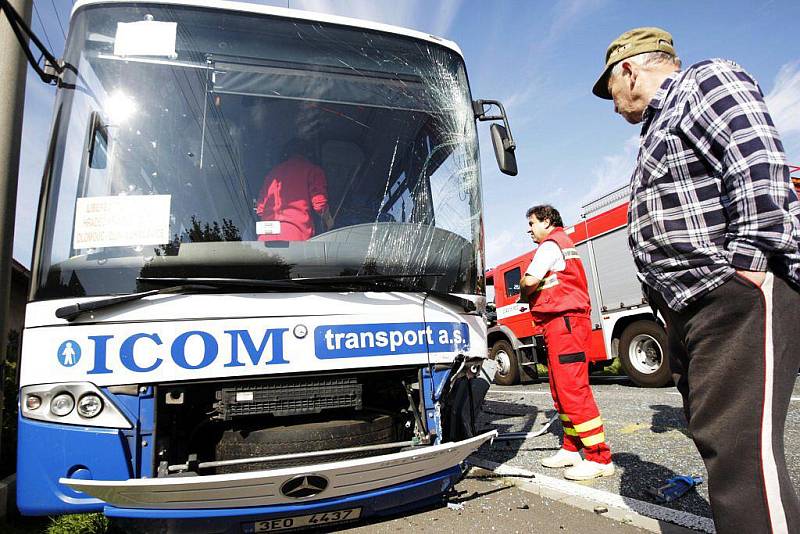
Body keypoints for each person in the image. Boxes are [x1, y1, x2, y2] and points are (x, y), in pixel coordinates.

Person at [593, 27, 800, 533]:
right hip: (694, 305)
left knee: (741, 453)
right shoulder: (657, 128)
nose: (613, 105)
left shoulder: (704, 82)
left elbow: (758, 164)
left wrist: (749, 267)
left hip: (733, 298)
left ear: (629, 69)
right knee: (722, 445)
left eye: (611, 92)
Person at [519, 205, 614, 481]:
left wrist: (525, 287)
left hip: (565, 324)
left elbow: (529, 282)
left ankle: (599, 457)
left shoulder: (550, 245)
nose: (529, 229)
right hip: (561, 325)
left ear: (547, 221)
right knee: (561, 391)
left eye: (533, 223)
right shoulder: (562, 244)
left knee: (572, 389)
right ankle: (572, 448)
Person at [256, 138, 334, 241]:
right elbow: (320, 204)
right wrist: (330, 222)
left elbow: (260, 209)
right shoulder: (312, 170)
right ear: (309, 154)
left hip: (265, 240)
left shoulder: (272, 174)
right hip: (296, 240)